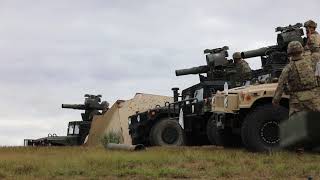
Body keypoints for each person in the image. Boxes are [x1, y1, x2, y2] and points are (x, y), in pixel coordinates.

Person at [273, 41, 320, 116]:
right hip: (313, 98)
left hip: (297, 101)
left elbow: (281, 85)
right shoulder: (311, 62)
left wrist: (275, 101)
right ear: (301, 49)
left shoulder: (288, 68)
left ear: (289, 52)